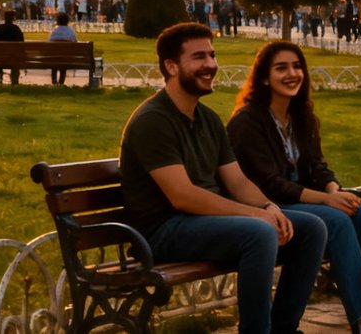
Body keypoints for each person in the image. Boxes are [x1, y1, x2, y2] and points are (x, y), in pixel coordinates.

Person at [118, 23, 327, 334]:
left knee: (310, 227)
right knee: (258, 233)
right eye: (199, 57)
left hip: (200, 223)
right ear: (171, 66)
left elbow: (238, 183)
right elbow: (183, 196)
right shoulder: (153, 121)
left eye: (212, 56)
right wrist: (257, 216)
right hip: (162, 231)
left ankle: (282, 327)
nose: (211, 65)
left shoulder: (207, 119)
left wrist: (270, 207)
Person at [228, 41, 361, 334]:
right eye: (281, 68)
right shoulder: (248, 122)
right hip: (265, 207)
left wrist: (333, 191)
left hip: (302, 203)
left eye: (297, 66)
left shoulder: (301, 116)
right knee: (337, 220)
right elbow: (270, 184)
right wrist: (326, 201)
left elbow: (318, 167)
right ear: (264, 77)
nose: (292, 73)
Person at [0, 9, 25, 84]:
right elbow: (22, 44)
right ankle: (14, 82)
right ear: (13, 18)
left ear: (4, 18)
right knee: (16, 59)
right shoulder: (16, 29)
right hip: (14, 58)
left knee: (0, 60)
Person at [48, 11, 78, 84]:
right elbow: (75, 42)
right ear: (67, 21)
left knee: (54, 63)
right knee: (63, 63)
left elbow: (49, 42)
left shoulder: (54, 31)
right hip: (66, 58)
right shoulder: (70, 31)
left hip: (54, 58)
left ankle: (54, 81)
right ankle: (61, 82)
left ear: (57, 21)